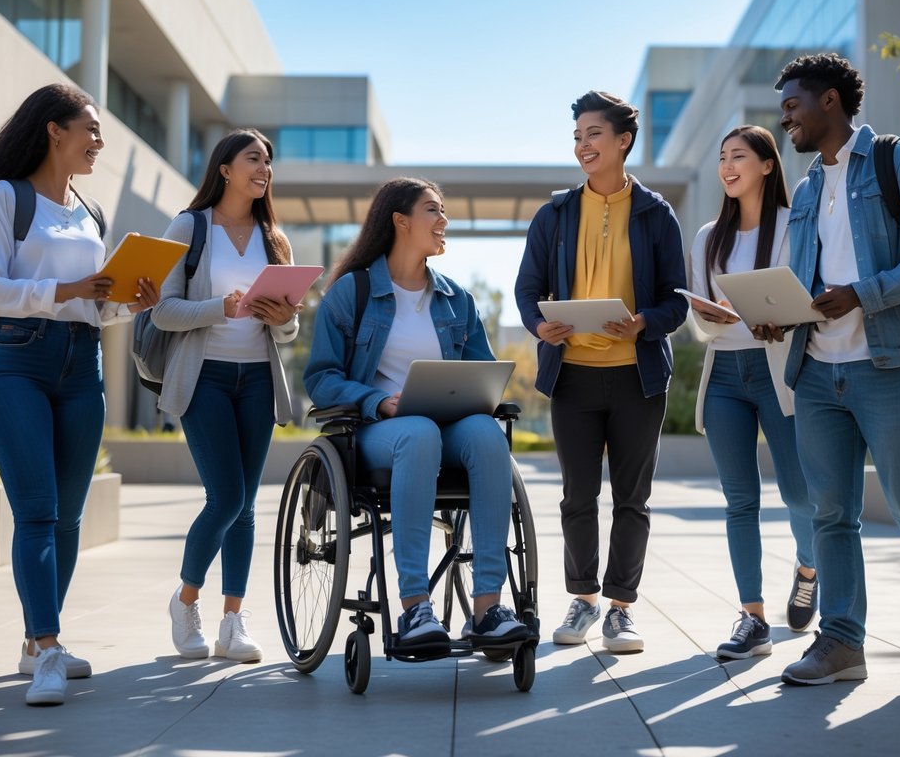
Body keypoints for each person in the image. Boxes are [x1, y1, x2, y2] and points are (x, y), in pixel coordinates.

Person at [766, 52, 900, 686]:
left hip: (889, 364)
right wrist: (779, 312)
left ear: (830, 101)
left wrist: (864, 293)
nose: (787, 122)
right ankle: (840, 644)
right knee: (830, 515)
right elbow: (808, 280)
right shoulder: (805, 189)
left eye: (793, 107)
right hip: (817, 372)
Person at [0, 83, 158, 706]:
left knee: (70, 517)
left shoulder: (92, 211)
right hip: (19, 363)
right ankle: (48, 647)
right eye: (91, 130)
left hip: (83, 367)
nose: (100, 142)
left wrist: (129, 304)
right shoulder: (8, 197)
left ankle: (33, 643)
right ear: (54, 131)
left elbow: (94, 307)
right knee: (38, 512)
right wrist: (67, 285)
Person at [303, 177, 530, 648]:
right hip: (377, 432)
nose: (445, 221)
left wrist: (481, 393)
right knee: (418, 433)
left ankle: (488, 607)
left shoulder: (456, 299)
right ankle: (415, 608)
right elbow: (321, 378)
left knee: (488, 437)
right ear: (401, 221)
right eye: (434, 210)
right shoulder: (351, 293)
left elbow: (483, 371)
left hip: (449, 429)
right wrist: (377, 400)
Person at [515, 91, 687, 653]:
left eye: (593, 134)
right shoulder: (556, 213)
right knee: (577, 496)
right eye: (577, 136)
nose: (583, 145)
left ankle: (621, 608)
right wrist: (540, 326)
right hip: (574, 376)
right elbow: (526, 290)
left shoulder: (656, 214)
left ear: (622, 141)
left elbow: (675, 301)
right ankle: (583, 599)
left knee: (632, 498)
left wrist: (644, 323)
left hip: (637, 377)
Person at [152, 129, 301, 663]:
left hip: (257, 379)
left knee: (246, 506)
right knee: (228, 497)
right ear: (225, 169)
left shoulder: (275, 239)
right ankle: (186, 598)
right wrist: (221, 307)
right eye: (254, 158)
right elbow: (163, 310)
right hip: (205, 378)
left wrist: (286, 320)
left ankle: (232, 623)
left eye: (269, 161)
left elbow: (287, 334)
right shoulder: (190, 227)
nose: (265, 168)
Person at [687, 125, 818, 660]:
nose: (727, 166)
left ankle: (809, 569)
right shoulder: (706, 237)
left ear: (767, 164)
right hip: (723, 374)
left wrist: (778, 322)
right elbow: (698, 321)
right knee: (740, 500)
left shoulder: (793, 226)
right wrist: (708, 317)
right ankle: (752, 618)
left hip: (777, 372)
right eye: (722, 158)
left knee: (799, 493)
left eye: (738, 156)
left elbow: (805, 299)